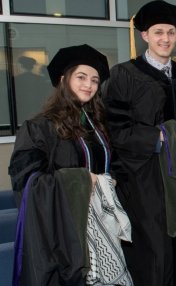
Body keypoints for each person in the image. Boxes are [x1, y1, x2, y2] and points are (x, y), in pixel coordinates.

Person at [9, 44, 133, 285]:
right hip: (64, 231)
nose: (89, 85)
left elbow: (114, 165)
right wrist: (84, 180)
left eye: (95, 80)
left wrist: (113, 178)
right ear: (64, 79)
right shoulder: (39, 128)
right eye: (81, 77)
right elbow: (28, 182)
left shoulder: (98, 127)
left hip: (103, 225)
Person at [102, 1, 176, 285]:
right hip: (144, 176)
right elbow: (113, 128)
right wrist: (158, 137)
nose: (165, 38)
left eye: (171, 32)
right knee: (153, 247)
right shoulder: (124, 74)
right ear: (145, 36)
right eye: (158, 32)